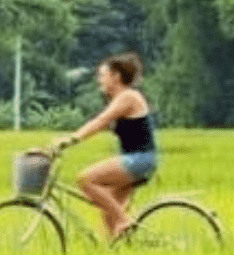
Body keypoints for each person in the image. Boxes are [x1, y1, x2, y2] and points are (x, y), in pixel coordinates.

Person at [53, 52, 157, 241]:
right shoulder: (121, 99)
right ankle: (116, 251)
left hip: (138, 160)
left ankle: (124, 221)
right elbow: (100, 125)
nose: (99, 80)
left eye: (102, 75)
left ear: (116, 76)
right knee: (109, 214)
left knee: (86, 179)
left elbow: (101, 121)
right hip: (136, 160)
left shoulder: (128, 97)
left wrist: (71, 139)